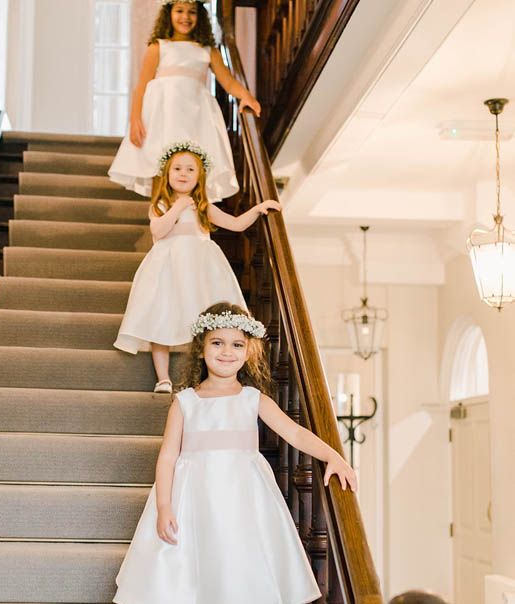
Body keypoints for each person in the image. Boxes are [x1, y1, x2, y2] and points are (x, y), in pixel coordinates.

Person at [113, 302, 357, 604]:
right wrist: (164, 506)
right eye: (217, 342)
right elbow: (167, 457)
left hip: (244, 499)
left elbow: (293, 432)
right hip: (194, 498)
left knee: (239, 563)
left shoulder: (253, 399)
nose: (227, 351)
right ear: (201, 348)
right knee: (196, 567)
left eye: (237, 344)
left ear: (248, 351)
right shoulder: (185, 402)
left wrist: (332, 454)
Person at [113, 142, 281, 393]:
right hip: (167, 269)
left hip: (199, 271)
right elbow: (158, 231)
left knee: (203, 319)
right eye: (177, 168)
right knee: (162, 317)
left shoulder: (203, 207)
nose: (183, 173)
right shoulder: (160, 204)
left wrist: (257, 210)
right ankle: (163, 378)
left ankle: (200, 376)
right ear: (167, 174)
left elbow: (235, 224)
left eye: (190, 169)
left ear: (199, 176)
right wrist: (178, 207)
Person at [108, 0, 261, 202]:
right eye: (179, 11)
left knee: (191, 166)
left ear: (201, 16)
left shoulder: (207, 50)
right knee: (158, 163)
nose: (185, 17)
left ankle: (191, 220)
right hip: (163, 115)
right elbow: (141, 87)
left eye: (192, 12)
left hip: (195, 117)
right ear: (168, 13)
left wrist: (246, 96)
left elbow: (229, 81)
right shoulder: (158, 47)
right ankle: (159, 219)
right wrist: (135, 119)